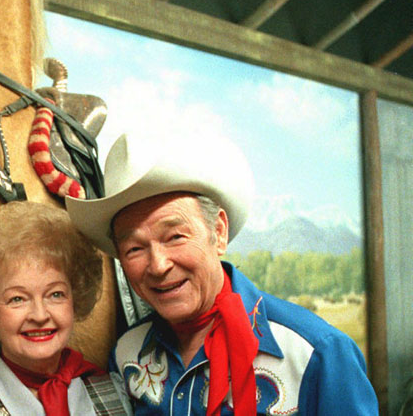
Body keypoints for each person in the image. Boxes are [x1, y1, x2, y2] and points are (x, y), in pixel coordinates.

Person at [66, 129, 379, 415]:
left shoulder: (315, 353)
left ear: (218, 232)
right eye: (135, 248)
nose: (159, 265)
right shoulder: (127, 354)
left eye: (175, 236)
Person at [0, 200, 133, 416]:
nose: (39, 315)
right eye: (17, 299)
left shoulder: (118, 392)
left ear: (75, 299)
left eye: (55, 294)